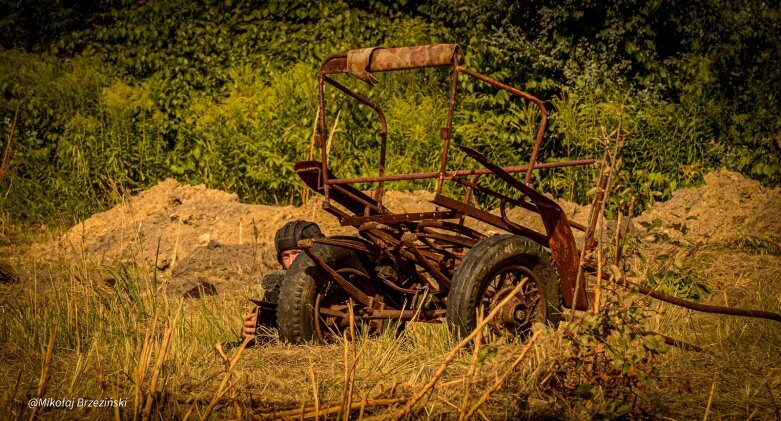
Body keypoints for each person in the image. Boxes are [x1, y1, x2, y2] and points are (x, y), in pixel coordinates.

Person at [241, 220, 324, 342]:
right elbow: (267, 334)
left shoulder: (332, 285)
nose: (291, 262)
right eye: (286, 256)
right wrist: (248, 334)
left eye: (296, 253)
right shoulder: (277, 289)